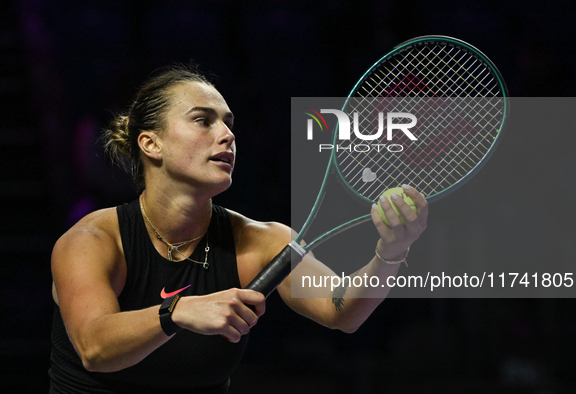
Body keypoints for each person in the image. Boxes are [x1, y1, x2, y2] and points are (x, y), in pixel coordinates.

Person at [48, 64, 428, 393]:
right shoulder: (92, 241)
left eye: (229, 123)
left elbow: (342, 310)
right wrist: (176, 312)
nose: (227, 134)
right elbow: (94, 348)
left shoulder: (263, 240)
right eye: (203, 120)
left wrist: (391, 251)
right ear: (151, 143)